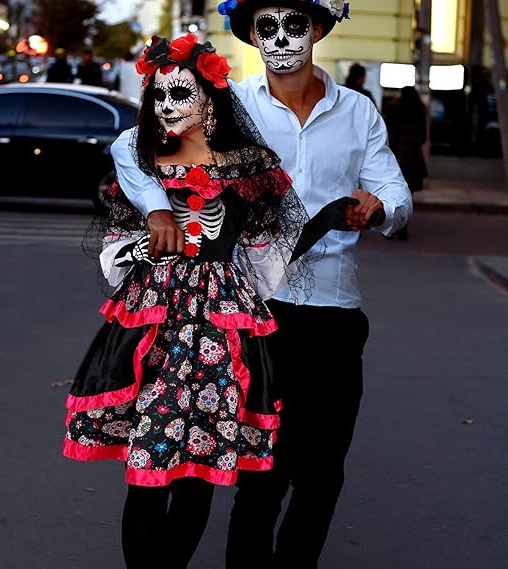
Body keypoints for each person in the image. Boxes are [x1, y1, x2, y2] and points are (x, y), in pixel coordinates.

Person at [110, 1, 413, 567]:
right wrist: (157, 209)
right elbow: (135, 146)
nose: (279, 38)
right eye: (265, 26)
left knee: (323, 471)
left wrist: (379, 208)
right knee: (262, 473)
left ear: (317, 29)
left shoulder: (358, 111)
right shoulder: (229, 105)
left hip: (333, 308)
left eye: (293, 24)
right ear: (250, 34)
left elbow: (396, 193)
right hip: (253, 312)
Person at [62, 35, 354, 569]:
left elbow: (267, 264)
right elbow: (113, 258)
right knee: (146, 475)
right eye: (157, 95)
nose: (166, 105)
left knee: (198, 477)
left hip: (220, 337)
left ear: (211, 101)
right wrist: (151, 235)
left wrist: (328, 218)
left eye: (180, 93)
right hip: (153, 332)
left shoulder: (249, 168)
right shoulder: (142, 161)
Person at [383, 85, 428, 240]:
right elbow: (423, 138)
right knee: (407, 193)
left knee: (390, 192)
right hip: (412, 158)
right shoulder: (419, 112)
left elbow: (386, 132)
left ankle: (389, 226)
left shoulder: (392, 109)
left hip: (395, 156)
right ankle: (402, 227)